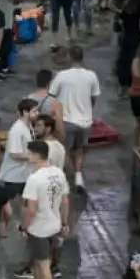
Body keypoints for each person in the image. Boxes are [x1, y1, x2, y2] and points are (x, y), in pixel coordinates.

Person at [21, 141, 70, 279]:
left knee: (43, 265)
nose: (27, 156)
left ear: (36, 155)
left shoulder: (34, 179)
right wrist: (64, 222)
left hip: (39, 228)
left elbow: (31, 209)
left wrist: (24, 227)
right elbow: (65, 201)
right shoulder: (59, 173)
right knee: (39, 259)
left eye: (29, 153)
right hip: (54, 225)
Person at [49, 46, 100, 191]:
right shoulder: (91, 76)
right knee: (79, 149)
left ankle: (62, 181)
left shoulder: (62, 76)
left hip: (67, 120)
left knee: (62, 150)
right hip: (85, 121)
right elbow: (94, 97)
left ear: (69, 57)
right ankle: (78, 177)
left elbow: (52, 96)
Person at [0, 98, 39, 207]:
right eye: (34, 111)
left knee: (25, 203)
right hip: (14, 177)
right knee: (9, 205)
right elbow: (14, 153)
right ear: (25, 112)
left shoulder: (29, 125)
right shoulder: (16, 130)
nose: (37, 114)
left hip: (24, 174)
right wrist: (33, 157)